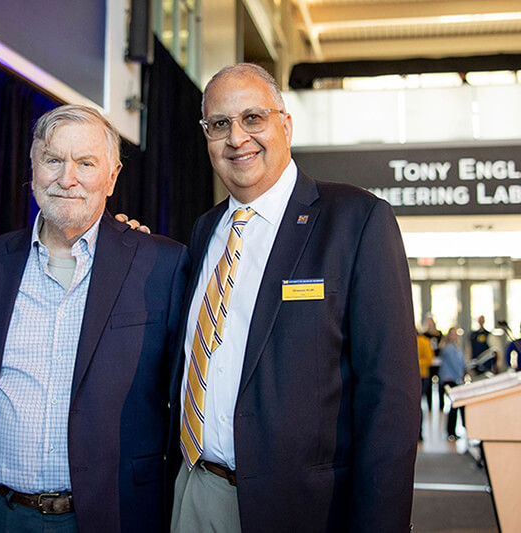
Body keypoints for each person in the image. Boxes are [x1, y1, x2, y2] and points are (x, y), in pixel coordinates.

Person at [169, 63, 419, 532]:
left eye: (253, 118)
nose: (236, 138)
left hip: (304, 510)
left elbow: (390, 397)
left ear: (285, 124)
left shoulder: (356, 220)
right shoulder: (206, 230)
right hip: (195, 492)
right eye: (218, 124)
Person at [0, 104, 189, 533]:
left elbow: (180, 401)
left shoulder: (162, 266)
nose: (67, 179)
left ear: (112, 176)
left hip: (113, 514)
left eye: (85, 163)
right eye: (53, 160)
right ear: (33, 166)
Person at [439, 328, 467, 441]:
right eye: (453, 334)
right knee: (455, 405)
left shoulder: (456, 348)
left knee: (456, 405)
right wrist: (460, 376)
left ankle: (455, 430)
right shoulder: (448, 349)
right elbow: (455, 365)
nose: (455, 336)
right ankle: (451, 431)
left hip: (455, 379)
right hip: (450, 379)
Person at [418, 332, 435, 440]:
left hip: (422, 375)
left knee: (418, 405)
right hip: (408, 375)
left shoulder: (424, 341)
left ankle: (419, 432)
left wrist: (414, 362)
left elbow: (429, 359)